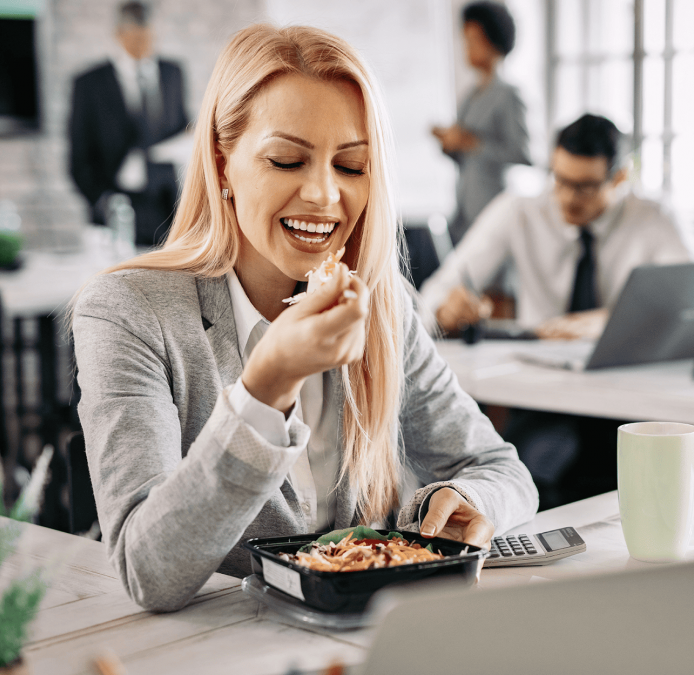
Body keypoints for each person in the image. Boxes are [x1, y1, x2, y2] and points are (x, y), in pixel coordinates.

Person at [72, 23, 538, 612]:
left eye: (350, 167)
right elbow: (147, 570)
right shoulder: (128, 313)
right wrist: (265, 388)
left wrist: (462, 497)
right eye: (288, 160)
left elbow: (501, 469)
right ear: (222, 168)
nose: (323, 194)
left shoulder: (379, 303)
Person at [420, 113, 694, 507]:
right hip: (545, 398)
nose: (569, 197)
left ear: (620, 178)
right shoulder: (519, 210)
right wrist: (446, 309)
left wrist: (607, 322)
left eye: (587, 186)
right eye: (560, 180)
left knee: (638, 488)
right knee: (538, 476)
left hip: (628, 402)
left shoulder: (654, 217)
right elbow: (434, 293)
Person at [69, 1, 189, 247]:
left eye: (147, 35)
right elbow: (79, 154)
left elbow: (182, 126)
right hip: (116, 206)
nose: (143, 43)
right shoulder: (90, 83)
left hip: (167, 208)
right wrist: (102, 200)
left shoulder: (172, 73)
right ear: (119, 35)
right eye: (135, 36)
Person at [432, 1, 530, 245]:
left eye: (474, 40)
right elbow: (465, 157)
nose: (467, 47)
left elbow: (523, 154)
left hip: (493, 207)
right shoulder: (472, 94)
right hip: (464, 207)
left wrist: (470, 142)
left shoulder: (509, 95)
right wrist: (450, 143)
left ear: (493, 41)